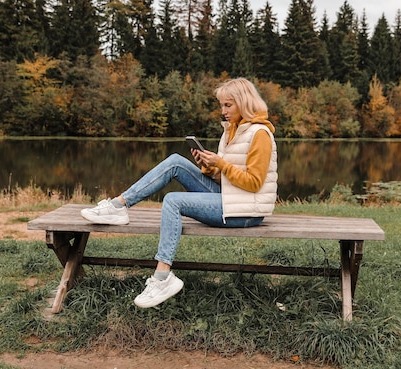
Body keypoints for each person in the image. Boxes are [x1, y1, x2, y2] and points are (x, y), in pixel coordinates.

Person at [80, 77, 278, 308]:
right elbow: (226, 177)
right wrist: (208, 165)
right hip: (231, 198)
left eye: (228, 105)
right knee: (176, 162)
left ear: (243, 103)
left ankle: (163, 277)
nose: (222, 110)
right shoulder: (232, 130)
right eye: (221, 105)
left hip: (246, 211)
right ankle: (119, 205)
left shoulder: (260, 134)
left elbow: (254, 183)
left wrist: (221, 164)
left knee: (173, 200)